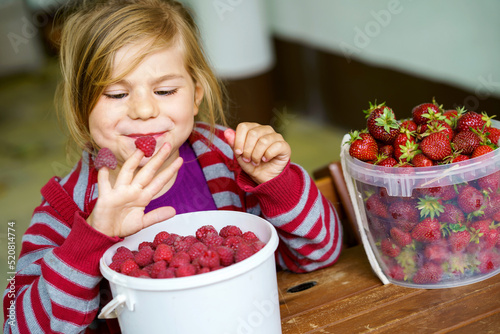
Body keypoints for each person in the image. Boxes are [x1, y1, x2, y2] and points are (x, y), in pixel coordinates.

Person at [3, 0, 342, 332]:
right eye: (117, 94)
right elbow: (18, 325)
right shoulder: (63, 209)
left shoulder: (233, 161)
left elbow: (320, 254)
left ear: (195, 96)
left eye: (164, 90)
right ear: (80, 109)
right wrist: (91, 237)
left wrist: (277, 183)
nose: (144, 110)